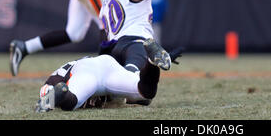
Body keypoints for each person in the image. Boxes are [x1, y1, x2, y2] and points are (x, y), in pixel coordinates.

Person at [34, 40, 182, 112]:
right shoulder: (86, 63)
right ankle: (151, 62)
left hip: (88, 72)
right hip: (108, 65)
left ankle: (63, 93)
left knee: (70, 102)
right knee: (146, 92)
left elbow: (48, 87)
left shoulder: (75, 68)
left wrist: (47, 101)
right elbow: (145, 100)